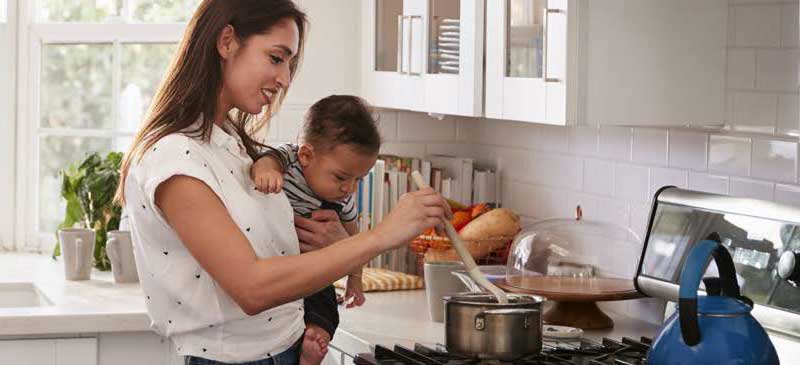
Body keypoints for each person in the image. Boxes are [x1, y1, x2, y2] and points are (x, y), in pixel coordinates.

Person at [115, 1, 450, 364]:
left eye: (289, 62)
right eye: (277, 58)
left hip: (287, 349)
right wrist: (382, 236)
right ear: (226, 41)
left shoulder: (231, 145)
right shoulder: (175, 158)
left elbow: (275, 253)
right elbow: (252, 288)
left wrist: (334, 243)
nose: (286, 78)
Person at [250, 94, 378, 361]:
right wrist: (267, 172)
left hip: (314, 272)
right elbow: (266, 159)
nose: (350, 188)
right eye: (341, 177)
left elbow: (355, 241)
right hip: (277, 270)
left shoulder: (341, 200)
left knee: (326, 307)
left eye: (359, 179)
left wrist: (355, 280)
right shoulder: (288, 160)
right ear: (307, 155)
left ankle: (313, 340)